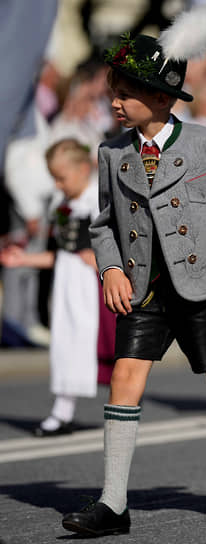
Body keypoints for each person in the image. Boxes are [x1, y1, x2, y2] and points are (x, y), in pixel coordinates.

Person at [61, 19, 206, 537]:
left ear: (160, 98)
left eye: (125, 94)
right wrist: (110, 266)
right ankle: (114, 503)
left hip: (203, 283)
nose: (114, 103)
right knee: (124, 378)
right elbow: (104, 222)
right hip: (141, 287)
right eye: (113, 93)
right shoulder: (112, 152)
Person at [0, 139, 100, 436]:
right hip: (67, 283)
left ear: (83, 169)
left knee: (92, 344)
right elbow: (59, 254)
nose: (57, 184)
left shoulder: (96, 200)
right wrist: (23, 259)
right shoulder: (62, 204)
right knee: (65, 344)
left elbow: (117, 243)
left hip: (91, 285)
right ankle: (62, 411)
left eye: (61, 177)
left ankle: (121, 407)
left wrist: (100, 259)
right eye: (53, 177)